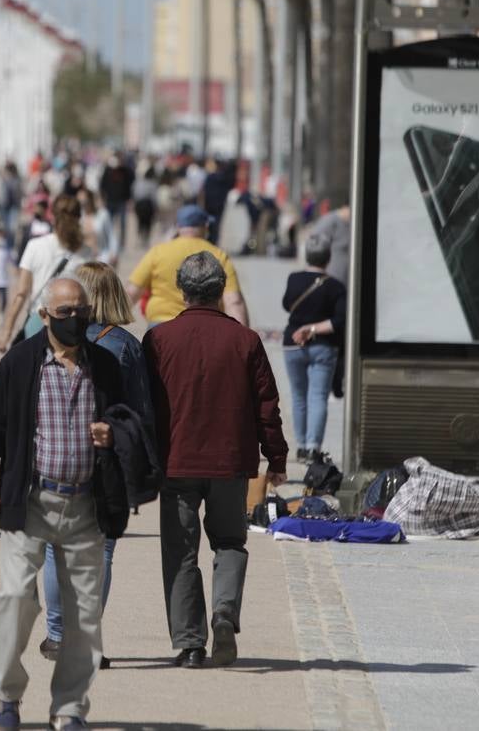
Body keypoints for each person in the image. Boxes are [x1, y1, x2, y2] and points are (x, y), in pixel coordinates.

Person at [0, 278, 126, 731]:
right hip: (31, 500)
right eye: (65, 313)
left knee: (83, 614)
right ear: (44, 316)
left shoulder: (105, 366)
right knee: (15, 598)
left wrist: (114, 434)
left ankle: (70, 706)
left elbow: (131, 420)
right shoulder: (19, 363)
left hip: (86, 506)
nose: (75, 320)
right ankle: (5, 696)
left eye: (82, 310)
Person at [143, 252, 286, 669]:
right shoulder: (245, 340)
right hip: (231, 463)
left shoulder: (159, 340)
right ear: (222, 291)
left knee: (180, 551)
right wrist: (275, 458)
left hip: (178, 461)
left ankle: (190, 644)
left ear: (182, 291)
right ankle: (224, 611)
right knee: (230, 542)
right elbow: (267, 407)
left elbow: (147, 406)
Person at [38, 262, 153, 666]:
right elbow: (140, 410)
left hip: (57, 457)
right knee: (100, 552)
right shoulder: (125, 344)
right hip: (107, 463)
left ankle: (56, 635)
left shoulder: (49, 336)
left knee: (57, 550)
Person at [125, 204, 249, 327]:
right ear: (205, 227)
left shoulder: (158, 252)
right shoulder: (218, 255)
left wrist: (109, 327)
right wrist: (241, 337)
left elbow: (131, 293)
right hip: (204, 326)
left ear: (178, 227)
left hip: (160, 326)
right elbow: (234, 301)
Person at [0, 194, 92, 353]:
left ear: (52, 216)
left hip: (40, 319)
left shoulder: (35, 246)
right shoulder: (86, 252)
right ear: (79, 218)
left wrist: (6, 332)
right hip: (74, 323)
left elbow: (21, 293)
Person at [282, 234, 347, 461]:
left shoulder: (294, 279)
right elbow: (340, 320)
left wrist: (304, 327)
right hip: (323, 346)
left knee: (298, 396)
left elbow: (286, 304)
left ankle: (300, 446)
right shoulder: (336, 287)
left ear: (307, 255)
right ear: (328, 258)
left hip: (293, 345)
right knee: (318, 396)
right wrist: (313, 329)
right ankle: (313, 447)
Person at [98, 151, 133, 258]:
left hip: (121, 201)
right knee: (109, 223)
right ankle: (108, 243)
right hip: (110, 201)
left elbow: (130, 183)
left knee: (122, 224)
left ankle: (122, 244)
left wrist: (129, 199)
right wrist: (102, 198)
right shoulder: (108, 170)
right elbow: (102, 185)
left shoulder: (125, 171)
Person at [308, 203, 352, 285]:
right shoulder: (329, 221)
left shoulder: (351, 224)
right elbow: (314, 243)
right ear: (345, 208)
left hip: (344, 281)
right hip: (330, 278)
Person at [132, 165, 159, 248]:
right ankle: (145, 240)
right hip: (148, 204)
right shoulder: (153, 183)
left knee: (140, 222)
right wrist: (156, 207)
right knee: (148, 223)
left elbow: (134, 193)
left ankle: (139, 239)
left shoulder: (138, 182)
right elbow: (154, 197)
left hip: (139, 204)